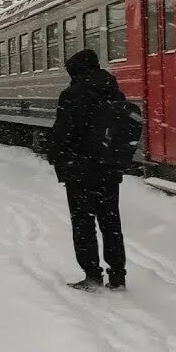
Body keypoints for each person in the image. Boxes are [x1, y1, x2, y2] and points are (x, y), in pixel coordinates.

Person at [46, 48, 127, 292]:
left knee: (83, 223)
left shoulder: (72, 95)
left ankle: (92, 276)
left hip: (80, 170)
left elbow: (63, 132)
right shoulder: (115, 92)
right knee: (111, 222)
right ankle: (118, 277)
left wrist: (55, 155)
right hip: (109, 169)